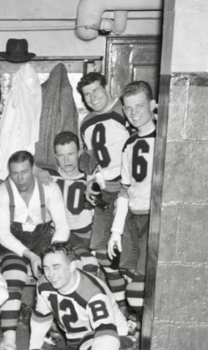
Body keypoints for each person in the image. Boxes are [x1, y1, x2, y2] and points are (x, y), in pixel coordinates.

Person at [0, 150, 70, 350]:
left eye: (25, 172)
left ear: (33, 169)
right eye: (15, 173)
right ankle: (9, 335)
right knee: (15, 273)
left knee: (55, 272)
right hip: (13, 242)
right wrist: (30, 255)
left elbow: (62, 226)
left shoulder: (50, 188)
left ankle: (57, 327)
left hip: (44, 238)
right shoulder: (1, 192)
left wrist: (50, 255)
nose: (20, 178)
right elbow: (3, 235)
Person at [78, 72, 131, 311]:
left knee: (129, 253)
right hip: (104, 190)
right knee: (100, 249)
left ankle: (134, 309)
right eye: (87, 94)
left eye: (96, 91)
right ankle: (120, 307)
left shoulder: (125, 109)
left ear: (107, 87)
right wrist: (89, 180)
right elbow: (91, 156)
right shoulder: (87, 121)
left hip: (126, 188)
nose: (92, 97)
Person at [107, 81, 157, 320]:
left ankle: (142, 330)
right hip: (132, 218)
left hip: (153, 218)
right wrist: (116, 231)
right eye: (128, 108)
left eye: (140, 105)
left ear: (153, 105)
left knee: (140, 282)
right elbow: (125, 190)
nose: (134, 112)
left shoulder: (164, 141)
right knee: (126, 271)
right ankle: (137, 324)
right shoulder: (129, 144)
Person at [50, 131, 99, 274]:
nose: (66, 161)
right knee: (72, 265)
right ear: (55, 157)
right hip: (56, 235)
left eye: (70, 154)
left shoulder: (90, 180)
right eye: (61, 155)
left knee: (89, 265)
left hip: (84, 236)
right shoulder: (49, 178)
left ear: (79, 153)